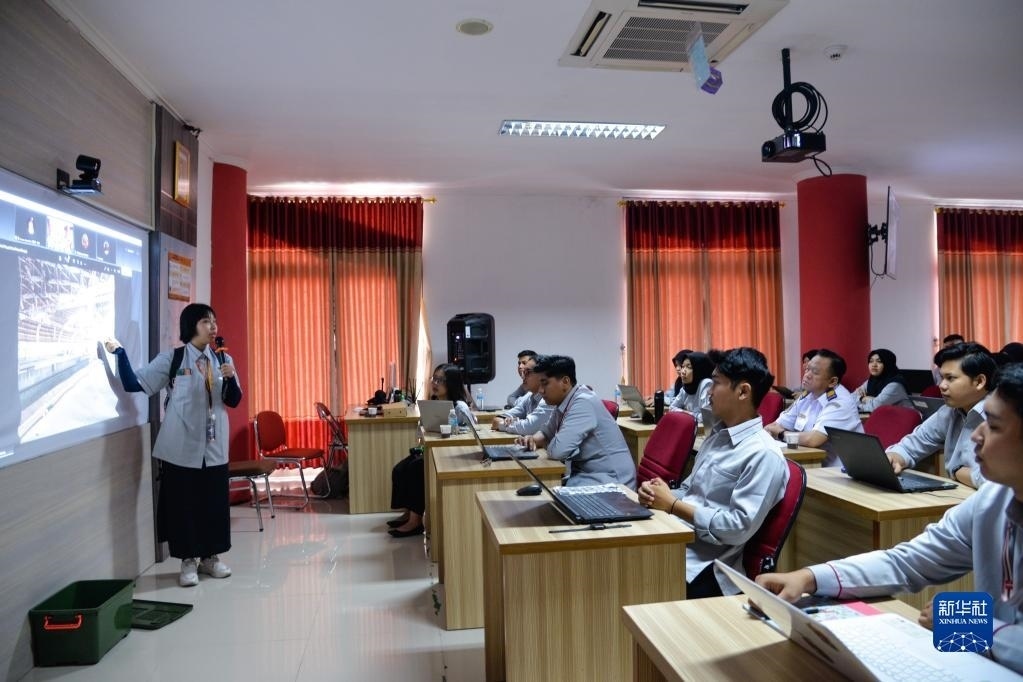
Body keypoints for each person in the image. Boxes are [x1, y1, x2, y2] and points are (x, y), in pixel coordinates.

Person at [756, 362, 1023, 676]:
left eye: (993, 426)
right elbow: (908, 562)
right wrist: (810, 578)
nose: (976, 435)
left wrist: (972, 626)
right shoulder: (992, 499)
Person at [104, 303, 242, 587]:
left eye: (214, 321)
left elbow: (234, 400)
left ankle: (210, 558)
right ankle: (188, 561)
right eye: (206, 321)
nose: (213, 327)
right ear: (191, 326)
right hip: (181, 448)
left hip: (214, 448)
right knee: (184, 506)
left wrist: (229, 377)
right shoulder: (173, 359)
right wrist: (120, 353)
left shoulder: (222, 359)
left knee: (214, 505)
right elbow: (135, 384)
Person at [638, 347, 789, 598]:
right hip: (676, 538)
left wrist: (673, 505)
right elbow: (689, 490)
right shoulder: (718, 436)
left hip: (703, 565)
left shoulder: (763, 454)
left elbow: (737, 527)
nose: (708, 392)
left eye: (716, 383)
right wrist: (658, 493)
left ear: (743, 391)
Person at [887, 341, 995, 488]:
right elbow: (914, 443)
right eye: (942, 377)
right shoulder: (949, 412)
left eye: (950, 378)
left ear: (979, 381)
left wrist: (956, 471)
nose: (941, 385)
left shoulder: (1005, 416)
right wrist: (894, 457)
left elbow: (1003, 480)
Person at [518, 355, 636, 488]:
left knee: (545, 494)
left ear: (565, 382)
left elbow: (557, 452)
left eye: (545, 383)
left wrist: (547, 442)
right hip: (588, 475)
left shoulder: (583, 402)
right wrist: (533, 439)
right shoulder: (564, 401)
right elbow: (546, 432)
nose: (540, 390)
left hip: (612, 481)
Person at [388, 363, 476, 537]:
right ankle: (408, 512)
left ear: (451, 383)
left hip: (451, 455)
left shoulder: (460, 406)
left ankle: (415, 521)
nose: (435, 383)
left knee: (415, 470)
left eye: (440, 380)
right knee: (400, 468)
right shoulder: (434, 403)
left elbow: (472, 433)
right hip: (432, 450)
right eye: (434, 379)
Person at [765, 348, 863, 467]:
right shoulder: (807, 395)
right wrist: (771, 431)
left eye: (815, 372)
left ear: (832, 381)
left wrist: (781, 434)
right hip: (811, 464)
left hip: (837, 471)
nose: (807, 375)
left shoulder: (840, 402)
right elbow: (776, 425)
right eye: (807, 369)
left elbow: (813, 440)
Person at [492, 353, 552, 435]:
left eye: (527, 372)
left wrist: (509, 424)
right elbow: (497, 419)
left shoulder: (548, 399)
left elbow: (529, 427)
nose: (523, 376)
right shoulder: (529, 396)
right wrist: (518, 423)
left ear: (542, 376)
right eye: (523, 372)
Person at [853, 348, 913, 412]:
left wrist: (862, 399)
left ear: (888, 364)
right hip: (883, 416)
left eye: (879, 361)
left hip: (902, 417)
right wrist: (863, 399)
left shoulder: (895, 385)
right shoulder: (871, 381)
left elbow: (874, 407)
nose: (874, 365)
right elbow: (851, 397)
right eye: (871, 361)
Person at [668, 351, 714, 424]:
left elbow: (706, 418)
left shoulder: (706, 384)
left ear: (699, 369)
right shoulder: (686, 386)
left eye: (689, 367)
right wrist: (690, 414)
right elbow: (671, 408)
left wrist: (685, 413)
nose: (683, 371)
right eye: (683, 367)